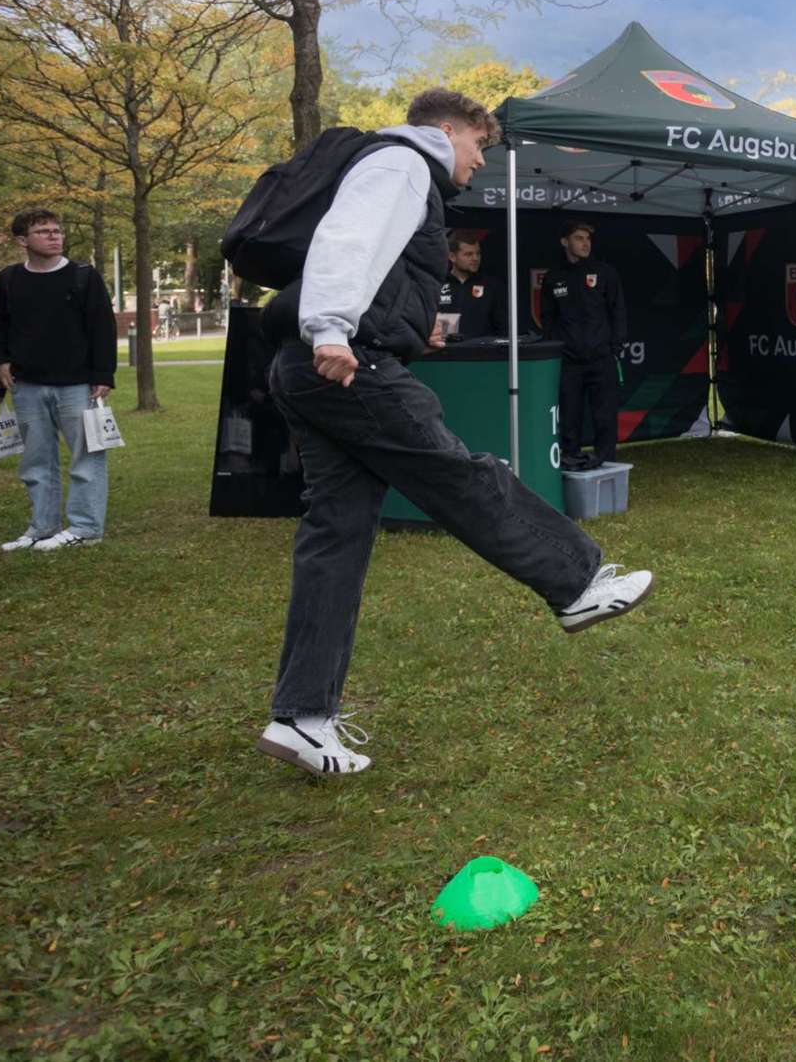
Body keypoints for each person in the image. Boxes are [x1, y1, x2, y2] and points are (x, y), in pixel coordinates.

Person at [255, 89, 653, 778]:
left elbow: (375, 260)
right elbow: (346, 240)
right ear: (448, 130)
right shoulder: (405, 161)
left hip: (311, 364)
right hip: (347, 365)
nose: (477, 165)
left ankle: (302, 717)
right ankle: (576, 581)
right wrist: (331, 327)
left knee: (336, 537)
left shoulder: (388, 164)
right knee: (459, 473)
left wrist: (412, 326)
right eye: (478, 149)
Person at [0, 209, 117, 552]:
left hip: (78, 386)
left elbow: (103, 326)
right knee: (36, 462)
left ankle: (86, 528)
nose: (54, 236)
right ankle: (43, 527)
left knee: (86, 460)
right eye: (44, 231)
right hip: (27, 386)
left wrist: (104, 374)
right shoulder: (9, 279)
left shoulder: (83, 276)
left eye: (57, 230)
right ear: (22, 240)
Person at [538, 219, 625, 470]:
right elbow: (548, 317)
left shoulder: (605, 272)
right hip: (569, 361)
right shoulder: (554, 277)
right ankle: (570, 460)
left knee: (605, 416)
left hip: (601, 357)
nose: (585, 244)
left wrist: (615, 347)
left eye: (588, 239)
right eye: (579, 238)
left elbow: (618, 311)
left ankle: (607, 464)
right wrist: (557, 347)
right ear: (565, 242)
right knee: (569, 416)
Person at [437, 230, 507, 340]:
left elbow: (503, 328)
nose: (475, 258)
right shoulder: (436, 284)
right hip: (445, 353)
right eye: (468, 254)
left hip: (482, 353)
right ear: (452, 257)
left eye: (478, 253)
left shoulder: (492, 286)